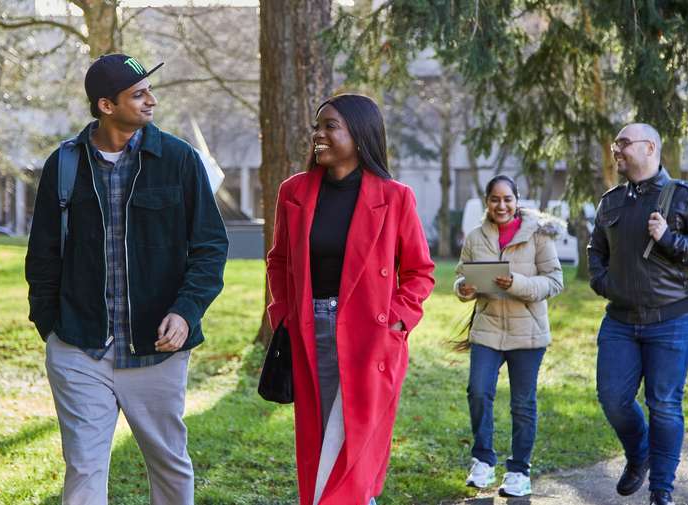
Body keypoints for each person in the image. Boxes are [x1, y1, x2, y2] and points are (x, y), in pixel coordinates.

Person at [25, 53, 228, 505]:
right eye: (138, 94)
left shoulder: (178, 159)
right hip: (80, 348)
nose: (151, 101)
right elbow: (42, 255)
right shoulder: (64, 165)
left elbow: (210, 248)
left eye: (149, 91)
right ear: (105, 106)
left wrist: (186, 310)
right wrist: (52, 327)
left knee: (170, 467)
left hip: (156, 350)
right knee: (84, 469)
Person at [266, 94, 435, 505]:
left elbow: (419, 271)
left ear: (359, 136)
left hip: (371, 334)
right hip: (311, 328)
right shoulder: (294, 192)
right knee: (323, 435)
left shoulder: (395, 197)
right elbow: (279, 261)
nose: (318, 135)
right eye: (316, 127)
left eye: (329, 126)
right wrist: (284, 315)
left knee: (359, 438)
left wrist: (395, 320)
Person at [588, 123, 688, 505]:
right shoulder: (611, 201)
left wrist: (669, 240)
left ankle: (661, 490)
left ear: (649, 148)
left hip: (673, 320)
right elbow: (595, 249)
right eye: (616, 143)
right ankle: (640, 453)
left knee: (664, 404)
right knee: (612, 398)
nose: (617, 150)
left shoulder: (685, 197)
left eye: (623, 143)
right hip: (619, 320)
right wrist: (603, 283)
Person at [453, 174, 564, 497]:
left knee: (522, 404)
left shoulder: (539, 236)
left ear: (517, 201)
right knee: (478, 391)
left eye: (507, 199)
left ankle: (519, 471)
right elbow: (461, 277)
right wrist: (465, 289)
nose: (501, 206)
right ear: (487, 202)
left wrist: (516, 283)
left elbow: (554, 282)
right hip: (487, 330)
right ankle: (483, 461)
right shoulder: (475, 237)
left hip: (527, 333)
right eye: (494, 199)